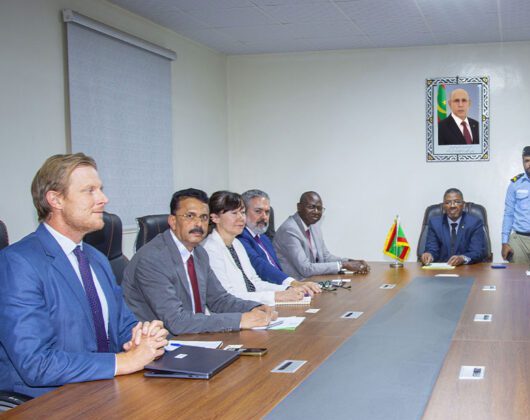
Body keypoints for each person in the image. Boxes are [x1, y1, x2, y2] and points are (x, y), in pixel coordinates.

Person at [0, 153, 168, 397]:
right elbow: (36, 364)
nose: (103, 199)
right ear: (55, 199)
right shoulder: (18, 263)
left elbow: (122, 325)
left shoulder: (96, 259)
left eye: (101, 189)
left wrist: (141, 336)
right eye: (90, 191)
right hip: (48, 402)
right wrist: (123, 361)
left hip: (105, 389)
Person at [122, 188, 277, 335]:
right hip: (162, 344)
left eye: (203, 217)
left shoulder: (199, 253)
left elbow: (219, 299)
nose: (198, 224)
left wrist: (256, 307)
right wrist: (240, 320)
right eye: (190, 216)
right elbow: (176, 321)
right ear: (173, 221)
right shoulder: (153, 259)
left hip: (195, 336)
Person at [202, 191, 316, 305]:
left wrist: (287, 289)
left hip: (251, 305)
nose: (241, 218)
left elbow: (255, 283)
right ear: (215, 217)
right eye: (234, 213)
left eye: (242, 212)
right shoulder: (210, 249)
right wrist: (276, 296)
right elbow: (227, 296)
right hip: (233, 312)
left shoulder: (236, 243)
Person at [237, 189, 321, 293]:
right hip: (266, 293)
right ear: (243, 212)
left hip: (283, 289)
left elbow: (277, 269)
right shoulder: (240, 238)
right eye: (258, 211)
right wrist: (293, 283)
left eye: (267, 212)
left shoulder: (264, 238)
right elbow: (260, 266)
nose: (264, 217)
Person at [273, 191, 369, 280]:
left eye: (319, 208)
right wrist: (343, 265)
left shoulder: (314, 226)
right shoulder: (289, 230)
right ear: (299, 207)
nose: (316, 212)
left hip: (314, 281)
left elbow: (325, 257)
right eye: (311, 207)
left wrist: (350, 261)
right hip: (295, 285)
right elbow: (305, 269)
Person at [420, 188, 487, 266]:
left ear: (463, 205)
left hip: (466, 269)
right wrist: (429, 255)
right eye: (448, 202)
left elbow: (477, 251)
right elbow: (432, 249)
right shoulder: (435, 223)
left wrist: (462, 258)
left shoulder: (474, 223)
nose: (452, 206)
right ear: (443, 206)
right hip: (441, 269)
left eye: (457, 202)